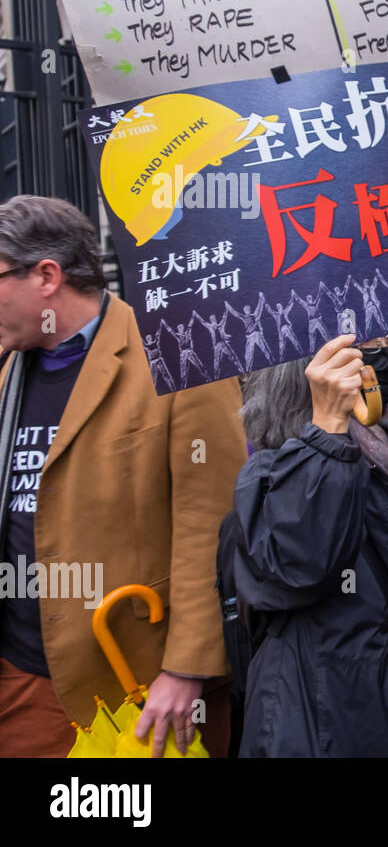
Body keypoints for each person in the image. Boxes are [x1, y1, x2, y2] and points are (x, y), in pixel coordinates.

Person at [0, 195, 245, 757]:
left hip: (135, 682)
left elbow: (211, 526)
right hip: (21, 674)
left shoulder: (177, 353)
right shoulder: (10, 368)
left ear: (45, 276)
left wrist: (187, 670)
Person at [229, 331, 388, 756]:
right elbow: (298, 567)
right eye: (366, 338)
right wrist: (328, 430)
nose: (383, 349)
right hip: (321, 722)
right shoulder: (270, 471)